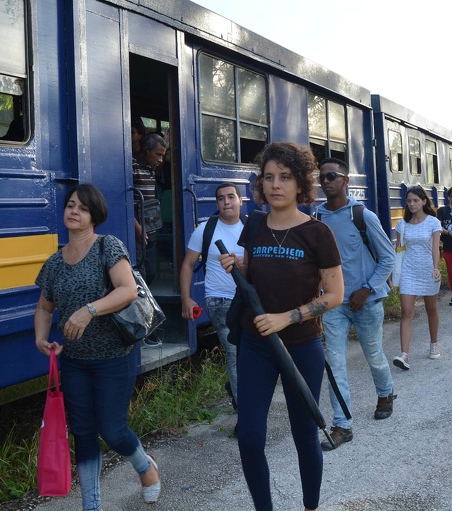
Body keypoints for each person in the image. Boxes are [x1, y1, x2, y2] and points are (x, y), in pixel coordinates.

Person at [219, 142, 343, 511]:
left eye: (285, 178)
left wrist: (286, 318)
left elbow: (335, 294)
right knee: (250, 439)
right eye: (268, 177)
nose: (275, 185)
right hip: (256, 345)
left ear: (301, 183)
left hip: (302, 345)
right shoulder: (254, 225)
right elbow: (255, 271)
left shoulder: (318, 233)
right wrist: (238, 269)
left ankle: (310, 506)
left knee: (304, 435)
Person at [34, 184, 161, 509]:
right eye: (71, 205)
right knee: (83, 432)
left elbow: (128, 290)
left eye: (83, 208)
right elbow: (45, 308)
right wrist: (41, 338)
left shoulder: (108, 247)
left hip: (112, 358)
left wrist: (89, 310)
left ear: (95, 216)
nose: (74, 211)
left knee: (113, 431)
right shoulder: (54, 263)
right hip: (74, 360)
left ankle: (146, 468)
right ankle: (91, 504)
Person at [315, 157, 396, 451]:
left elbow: (388, 258)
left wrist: (368, 288)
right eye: (322, 177)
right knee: (335, 364)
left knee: (373, 355)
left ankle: (386, 393)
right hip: (333, 304)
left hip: (367, 302)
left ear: (345, 181)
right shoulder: (318, 219)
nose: (325, 181)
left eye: (332, 176)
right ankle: (342, 424)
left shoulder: (362, 215)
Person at [180, 182, 245, 417]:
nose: (226, 202)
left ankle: (236, 389)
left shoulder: (251, 227)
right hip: (219, 300)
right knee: (235, 352)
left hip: (247, 298)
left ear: (240, 201)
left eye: (230, 197)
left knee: (250, 354)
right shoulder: (205, 230)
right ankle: (244, 414)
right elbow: (188, 265)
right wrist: (186, 298)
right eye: (221, 198)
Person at [392, 186, 442, 370]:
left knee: (431, 309)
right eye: (408, 201)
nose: (411, 204)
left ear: (423, 201)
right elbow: (399, 250)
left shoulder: (433, 223)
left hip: (428, 271)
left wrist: (436, 268)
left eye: (415, 200)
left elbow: (435, 248)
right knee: (406, 313)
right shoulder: (402, 225)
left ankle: (434, 343)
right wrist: (393, 273)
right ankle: (404, 354)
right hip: (408, 272)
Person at [132, 133, 167, 286]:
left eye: (163, 155)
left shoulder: (152, 168)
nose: (160, 160)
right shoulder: (132, 166)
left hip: (151, 224)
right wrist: (136, 227)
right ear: (146, 150)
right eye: (158, 155)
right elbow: (125, 201)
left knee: (151, 272)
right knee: (141, 272)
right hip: (138, 226)